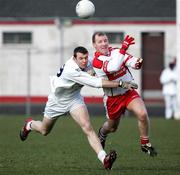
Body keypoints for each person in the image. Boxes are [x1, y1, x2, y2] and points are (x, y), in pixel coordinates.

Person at [20, 46, 138, 170]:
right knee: (44, 130)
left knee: (87, 127)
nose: (84, 61)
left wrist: (127, 59)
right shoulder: (70, 69)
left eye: (86, 58)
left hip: (74, 99)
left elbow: (107, 65)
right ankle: (30, 125)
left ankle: (104, 159)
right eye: (81, 58)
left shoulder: (89, 61)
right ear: (74, 58)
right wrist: (121, 83)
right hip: (57, 101)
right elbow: (96, 83)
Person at [91, 32, 157, 157]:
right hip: (113, 98)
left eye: (105, 40)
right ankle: (102, 133)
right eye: (100, 42)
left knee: (142, 114)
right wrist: (123, 48)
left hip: (128, 92)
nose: (104, 43)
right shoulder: (97, 61)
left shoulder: (116, 51)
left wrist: (136, 63)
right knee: (112, 128)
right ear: (94, 45)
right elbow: (113, 67)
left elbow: (130, 61)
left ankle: (145, 143)